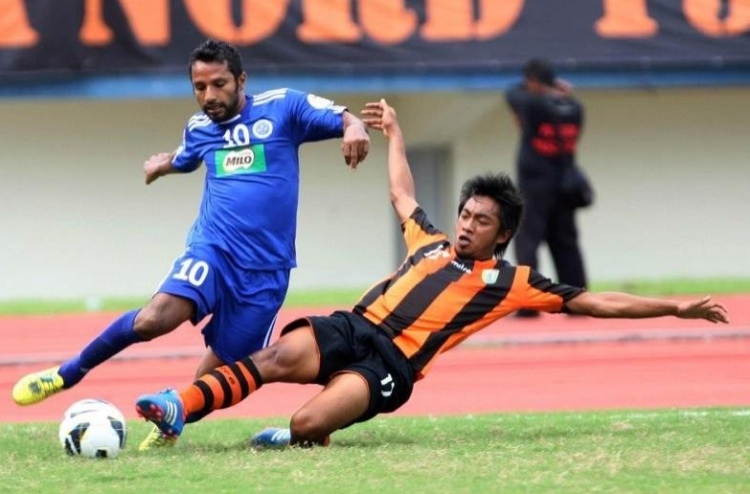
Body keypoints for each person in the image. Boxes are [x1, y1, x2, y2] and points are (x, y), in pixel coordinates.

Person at [134, 99, 729, 450]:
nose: (467, 224)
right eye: (466, 214)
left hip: (389, 364)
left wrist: (675, 308)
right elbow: (402, 193)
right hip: (353, 326)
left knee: (306, 423)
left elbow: (596, 302)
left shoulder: (512, 282)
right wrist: (394, 133)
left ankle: (298, 437)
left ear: (502, 234)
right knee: (270, 359)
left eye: (481, 221)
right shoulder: (431, 242)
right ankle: (178, 405)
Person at [11, 39, 370, 450]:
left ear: (241, 81)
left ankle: (170, 423)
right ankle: (67, 373)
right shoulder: (200, 128)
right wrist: (162, 165)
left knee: (218, 377)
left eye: (219, 84)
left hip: (265, 273)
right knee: (154, 319)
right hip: (213, 250)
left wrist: (355, 128)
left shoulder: (282, 108)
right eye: (200, 87)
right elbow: (186, 156)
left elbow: (343, 117)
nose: (209, 96)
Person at [505, 58, 588, 318]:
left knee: (527, 242)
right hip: (564, 184)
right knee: (566, 243)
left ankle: (529, 304)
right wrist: (556, 89)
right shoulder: (574, 107)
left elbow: (511, 94)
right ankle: (578, 301)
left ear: (532, 81)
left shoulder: (533, 103)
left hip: (535, 185)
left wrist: (539, 89)